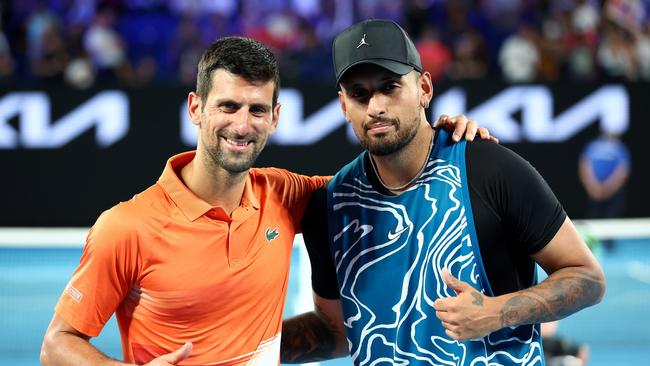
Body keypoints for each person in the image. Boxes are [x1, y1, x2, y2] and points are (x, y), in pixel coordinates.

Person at [40, 36, 487, 365]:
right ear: (196, 108)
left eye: (257, 110)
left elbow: (392, 178)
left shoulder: (286, 193)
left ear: (275, 118)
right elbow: (58, 343)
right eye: (228, 106)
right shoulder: (126, 226)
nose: (242, 125)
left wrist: (442, 137)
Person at [281, 19, 606, 365]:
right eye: (359, 94)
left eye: (389, 87)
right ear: (344, 105)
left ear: (424, 88)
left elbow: (587, 277)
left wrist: (496, 312)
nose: (375, 106)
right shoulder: (331, 206)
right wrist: (231, 342)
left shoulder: (489, 169)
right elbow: (336, 333)